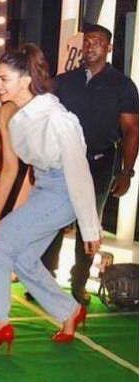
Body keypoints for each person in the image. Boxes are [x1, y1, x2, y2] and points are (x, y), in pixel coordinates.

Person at [0, 44, 101, 355]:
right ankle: (70, 312)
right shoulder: (8, 111)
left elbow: (79, 174)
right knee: (22, 258)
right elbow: (11, 169)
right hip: (42, 188)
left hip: (66, 192)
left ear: (26, 80)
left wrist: (90, 229)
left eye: (4, 79)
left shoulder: (58, 119)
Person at [41, 23, 139, 304]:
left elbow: (132, 130)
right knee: (52, 221)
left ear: (109, 48)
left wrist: (126, 172)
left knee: (90, 224)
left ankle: (78, 284)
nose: (90, 46)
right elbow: (46, 122)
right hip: (61, 162)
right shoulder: (63, 81)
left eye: (97, 41)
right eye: (87, 41)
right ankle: (45, 281)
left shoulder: (122, 85)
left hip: (99, 162)